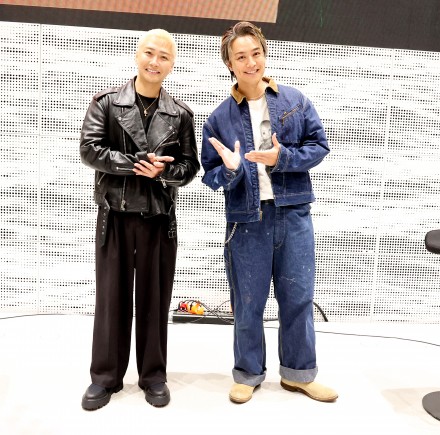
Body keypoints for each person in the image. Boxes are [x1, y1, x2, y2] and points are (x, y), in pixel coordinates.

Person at [201, 21, 338, 404]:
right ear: (229, 64)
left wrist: (283, 158)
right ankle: (248, 373)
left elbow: (319, 146)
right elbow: (209, 174)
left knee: (298, 297)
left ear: (264, 53)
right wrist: (229, 171)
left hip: (293, 216)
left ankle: (299, 374)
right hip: (247, 222)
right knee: (248, 301)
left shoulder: (294, 100)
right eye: (241, 57)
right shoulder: (219, 118)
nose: (251, 62)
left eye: (256, 53)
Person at [79, 28, 199, 410]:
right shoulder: (107, 103)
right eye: (149, 53)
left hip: (158, 218)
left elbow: (189, 167)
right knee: (110, 299)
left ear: (172, 64)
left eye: (164, 56)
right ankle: (105, 377)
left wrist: (164, 173)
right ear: (136, 55)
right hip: (114, 216)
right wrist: (133, 165)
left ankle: (153, 376)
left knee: (155, 299)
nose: (155, 62)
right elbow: (89, 150)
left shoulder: (180, 115)